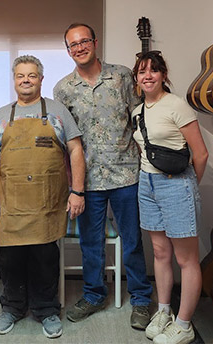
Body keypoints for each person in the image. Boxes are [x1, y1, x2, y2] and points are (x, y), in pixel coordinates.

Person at [53, 23, 153, 329]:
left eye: (84, 41)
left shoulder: (123, 75)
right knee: (90, 243)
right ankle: (94, 295)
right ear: (68, 50)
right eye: (73, 44)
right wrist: (73, 185)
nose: (80, 47)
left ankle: (140, 299)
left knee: (133, 242)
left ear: (95, 42)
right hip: (88, 181)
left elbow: (140, 119)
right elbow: (63, 141)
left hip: (126, 174)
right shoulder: (63, 89)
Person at [0, 55, 85, 339]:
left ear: (41, 78)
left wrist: (77, 191)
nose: (26, 80)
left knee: (44, 258)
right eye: (20, 76)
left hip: (47, 203)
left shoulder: (57, 111)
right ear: (14, 80)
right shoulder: (3, 114)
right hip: (13, 203)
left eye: (31, 75)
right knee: (11, 260)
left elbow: (75, 150)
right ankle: (12, 308)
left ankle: (47, 310)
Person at [131, 51, 207, 344]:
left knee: (185, 259)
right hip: (146, 184)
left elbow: (200, 154)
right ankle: (163, 311)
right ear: (137, 78)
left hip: (176, 184)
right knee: (160, 254)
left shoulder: (177, 106)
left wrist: (187, 187)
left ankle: (184, 324)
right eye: (141, 72)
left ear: (163, 75)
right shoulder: (137, 112)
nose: (147, 76)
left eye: (153, 71)